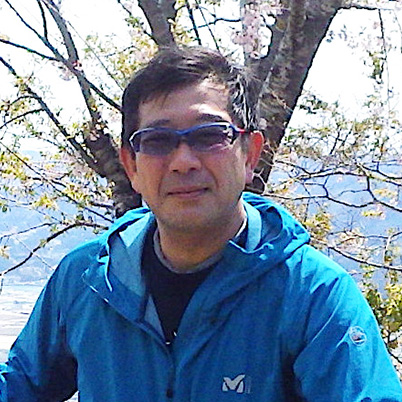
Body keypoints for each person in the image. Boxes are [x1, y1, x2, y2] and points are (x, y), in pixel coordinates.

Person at [1, 46, 401, 402]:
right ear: (131, 166)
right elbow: (20, 384)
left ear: (250, 155)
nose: (183, 161)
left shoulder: (312, 294)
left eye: (209, 136)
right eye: (158, 141)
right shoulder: (89, 279)